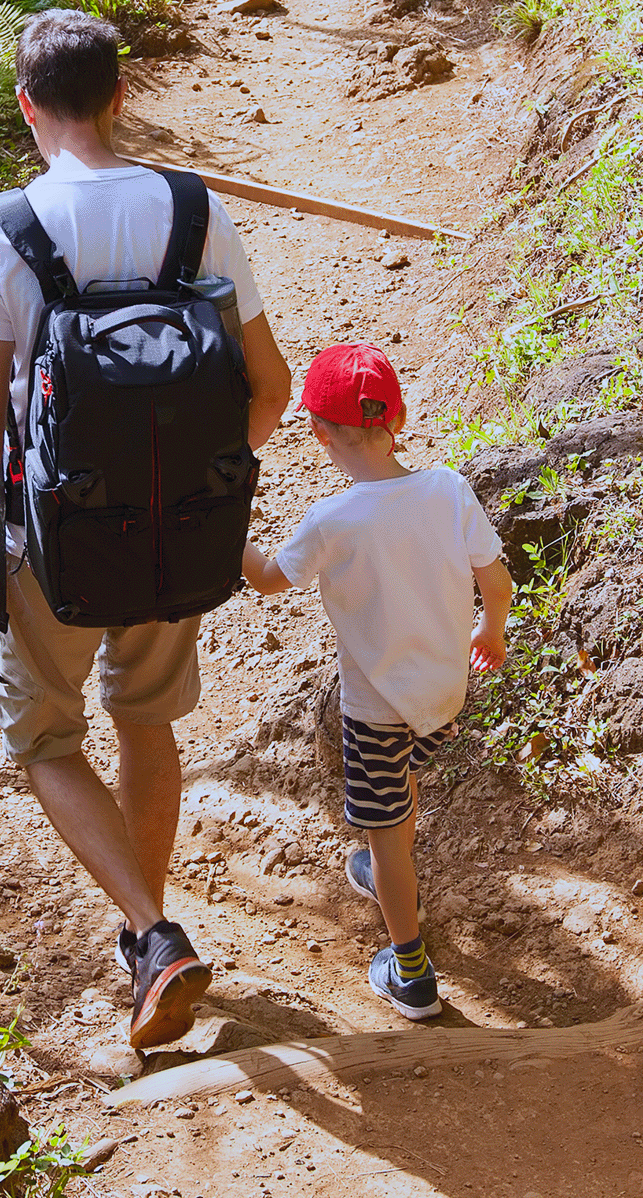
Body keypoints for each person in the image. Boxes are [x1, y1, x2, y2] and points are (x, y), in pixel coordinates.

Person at [0, 8, 293, 1049]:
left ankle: (151, 931)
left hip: (52, 544)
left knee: (45, 736)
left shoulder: (5, 229)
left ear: (26, 107)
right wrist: (204, 481)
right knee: (146, 720)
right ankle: (151, 940)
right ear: (120, 95)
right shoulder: (194, 209)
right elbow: (267, 387)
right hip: (178, 531)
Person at [239, 341, 511, 1021]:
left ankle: (411, 971)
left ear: (318, 432)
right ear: (400, 418)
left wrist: (230, 536)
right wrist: (491, 631)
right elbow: (496, 579)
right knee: (401, 792)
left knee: (386, 836)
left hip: (375, 709)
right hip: (446, 693)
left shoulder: (333, 521)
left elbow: (269, 580)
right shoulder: (447, 488)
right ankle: (385, 871)